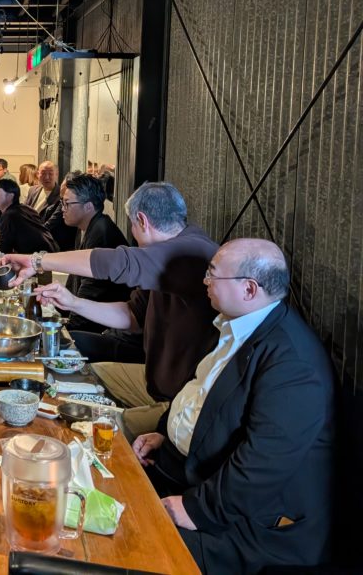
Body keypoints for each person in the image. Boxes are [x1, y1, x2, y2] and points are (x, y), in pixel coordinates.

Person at [133, 239, 334, 574]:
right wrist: (166, 436)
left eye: (213, 274)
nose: (205, 281)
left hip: (252, 525)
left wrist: (197, 510)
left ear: (249, 289)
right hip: (192, 474)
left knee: (131, 543)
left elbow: (264, 463)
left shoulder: (293, 362)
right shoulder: (239, 323)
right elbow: (201, 393)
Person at [0, 182, 219, 436]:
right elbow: (132, 316)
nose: (133, 236)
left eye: (133, 226)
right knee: (79, 379)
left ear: (142, 221)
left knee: (94, 429)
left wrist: (38, 261)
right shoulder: (165, 257)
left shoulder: (190, 251)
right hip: (154, 381)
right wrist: (73, 302)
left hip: (183, 400)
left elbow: (119, 262)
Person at [58, 173, 135, 346]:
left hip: (106, 328)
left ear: (88, 206)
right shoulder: (86, 227)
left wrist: (68, 331)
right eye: (62, 202)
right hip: (91, 319)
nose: (62, 208)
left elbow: (93, 290)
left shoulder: (102, 233)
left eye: (67, 203)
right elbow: (75, 276)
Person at [0, 178, 56, 255]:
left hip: (38, 258)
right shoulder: (27, 209)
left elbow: (4, 250)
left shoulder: (9, 215)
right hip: (52, 253)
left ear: (10, 196)